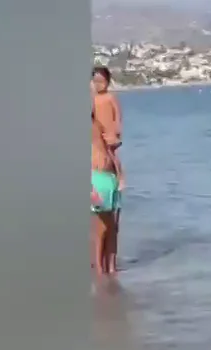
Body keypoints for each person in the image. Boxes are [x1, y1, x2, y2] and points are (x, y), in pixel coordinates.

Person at [92, 65, 125, 272]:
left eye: (101, 81)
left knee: (111, 219)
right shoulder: (93, 103)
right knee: (101, 224)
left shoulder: (111, 98)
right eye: (95, 81)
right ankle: (100, 266)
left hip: (110, 145)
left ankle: (109, 266)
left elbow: (118, 119)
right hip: (98, 155)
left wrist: (115, 135)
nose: (98, 85)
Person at [92, 110, 121, 278]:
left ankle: (111, 268)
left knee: (112, 227)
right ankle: (99, 270)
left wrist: (120, 175)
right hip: (97, 179)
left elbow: (110, 147)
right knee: (101, 228)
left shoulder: (97, 125)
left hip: (110, 178)